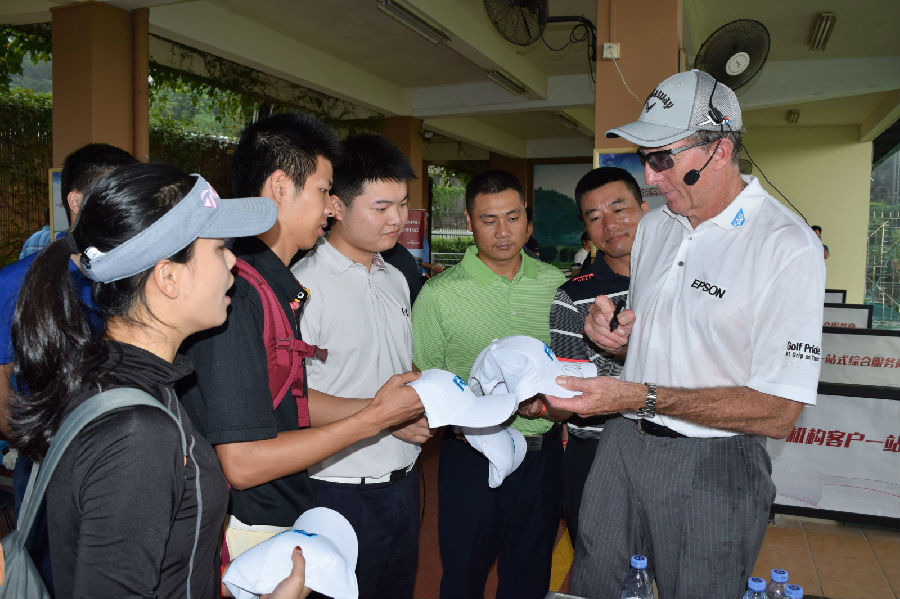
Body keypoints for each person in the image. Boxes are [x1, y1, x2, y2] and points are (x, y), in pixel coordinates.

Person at [547, 70, 825, 598]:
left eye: (662, 159)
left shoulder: (785, 246)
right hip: (624, 441)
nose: (650, 179)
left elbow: (779, 411)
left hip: (715, 461)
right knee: (594, 585)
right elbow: (659, 350)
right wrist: (616, 342)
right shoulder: (655, 228)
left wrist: (640, 395)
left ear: (720, 150)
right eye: (645, 159)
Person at [7, 162, 277, 597]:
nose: (234, 261)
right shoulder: (137, 432)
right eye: (218, 249)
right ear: (168, 277)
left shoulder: (109, 380)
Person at [179, 112, 425, 560]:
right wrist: (375, 417)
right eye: (324, 191)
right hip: (251, 527)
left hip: (288, 509)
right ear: (279, 187)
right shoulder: (239, 293)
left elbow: (286, 405)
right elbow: (242, 462)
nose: (332, 207)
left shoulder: (275, 286)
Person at [412, 169, 566, 599]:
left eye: (513, 218)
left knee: (529, 577)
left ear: (528, 220)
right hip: (471, 458)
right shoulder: (439, 295)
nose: (503, 232)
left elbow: (569, 367)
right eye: (488, 220)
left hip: (542, 457)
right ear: (468, 222)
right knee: (463, 576)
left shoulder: (556, 284)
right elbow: (425, 378)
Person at [291, 134, 429, 599]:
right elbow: (292, 398)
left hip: (404, 481)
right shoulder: (303, 288)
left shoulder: (395, 277)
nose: (398, 219)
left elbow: (394, 362)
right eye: (381, 207)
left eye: (403, 204)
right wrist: (386, 415)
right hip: (338, 488)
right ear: (335, 205)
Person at [549, 167, 647, 544]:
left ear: (644, 209)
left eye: (619, 209)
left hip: (675, 446)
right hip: (596, 452)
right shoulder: (573, 296)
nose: (610, 225)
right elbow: (570, 389)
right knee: (598, 562)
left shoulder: (683, 281)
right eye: (595, 217)